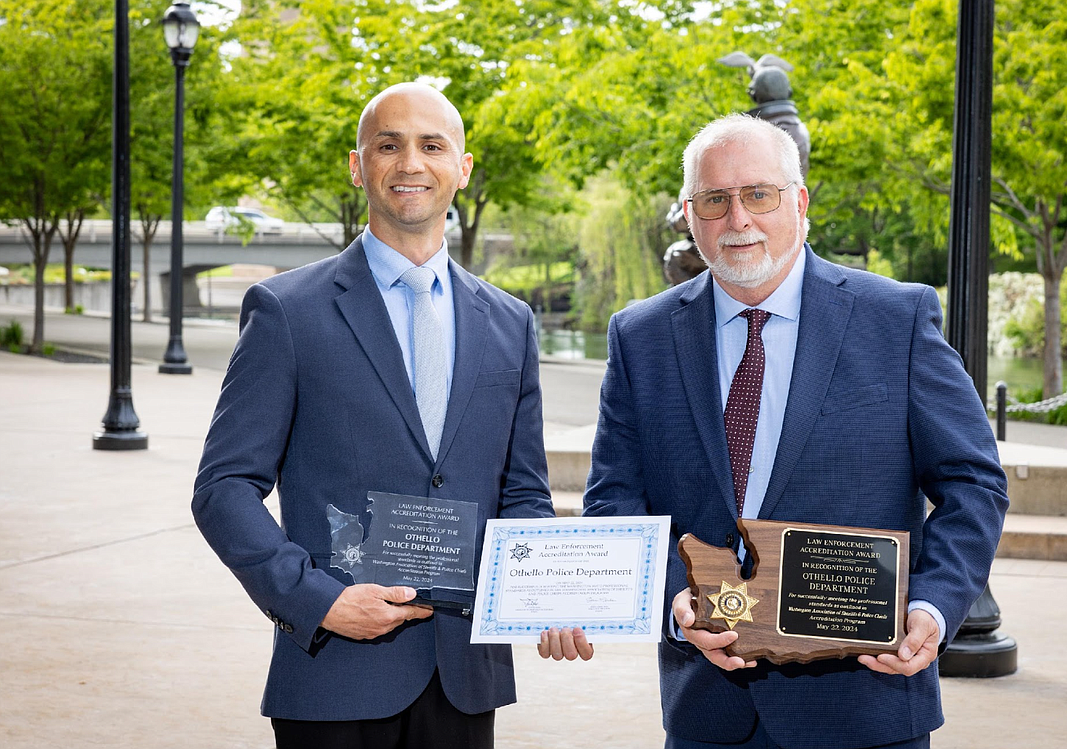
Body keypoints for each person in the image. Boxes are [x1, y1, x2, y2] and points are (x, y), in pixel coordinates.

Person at [582, 113, 1009, 749]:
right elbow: (614, 500)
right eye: (714, 200)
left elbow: (973, 483)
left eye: (758, 194)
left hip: (865, 704)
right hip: (709, 711)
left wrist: (933, 605)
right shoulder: (641, 336)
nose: (738, 220)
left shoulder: (896, 318)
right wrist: (675, 603)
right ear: (689, 214)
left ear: (800, 202)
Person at [192, 82, 589, 749]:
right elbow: (223, 488)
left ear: (462, 167)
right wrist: (316, 599)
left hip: (465, 675)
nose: (411, 163)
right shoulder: (287, 311)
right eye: (389, 144)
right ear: (358, 165)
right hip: (336, 674)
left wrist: (546, 588)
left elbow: (522, 490)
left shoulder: (510, 322)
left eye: (432, 145)